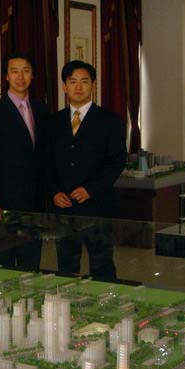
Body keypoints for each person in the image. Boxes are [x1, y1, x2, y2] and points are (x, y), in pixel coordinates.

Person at [46, 60, 126, 280]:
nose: (78, 87)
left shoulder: (110, 120)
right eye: (73, 82)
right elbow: (46, 162)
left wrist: (91, 189)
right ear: (65, 87)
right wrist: (54, 192)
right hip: (64, 207)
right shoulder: (53, 121)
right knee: (66, 266)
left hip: (98, 205)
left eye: (84, 81)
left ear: (93, 85)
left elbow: (117, 161)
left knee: (102, 265)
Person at [0, 52, 49, 270]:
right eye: (14, 71)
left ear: (32, 75)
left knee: (32, 262)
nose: (20, 76)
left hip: (35, 203)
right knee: (5, 262)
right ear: (6, 76)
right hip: (4, 204)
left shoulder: (42, 109)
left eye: (25, 71)